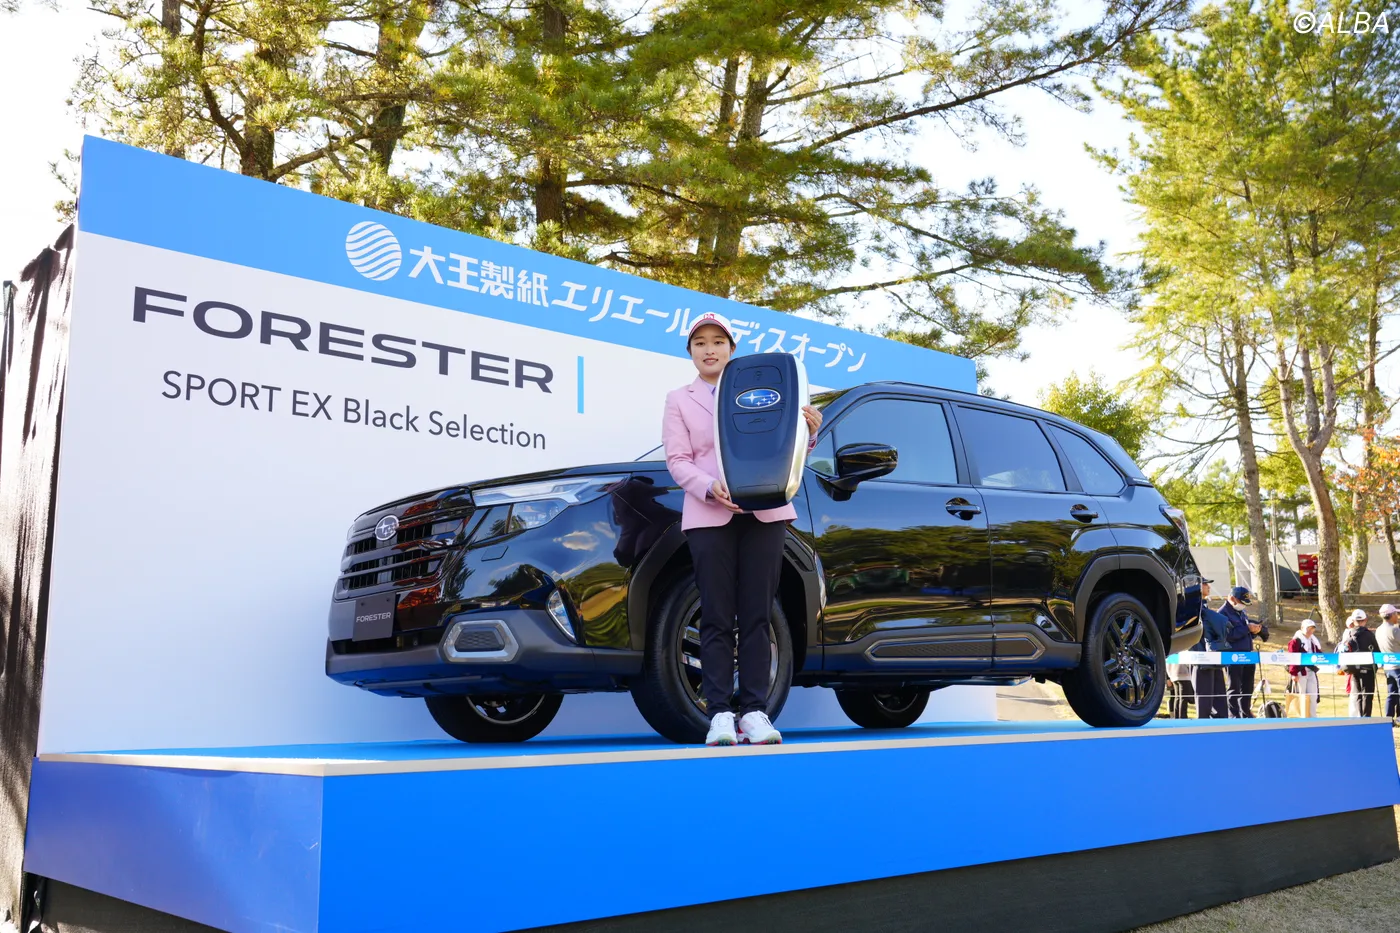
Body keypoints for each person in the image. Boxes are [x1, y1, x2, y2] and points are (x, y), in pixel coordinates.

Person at [662, 311, 822, 747]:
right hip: (709, 514)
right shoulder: (679, 399)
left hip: (765, 512)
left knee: (757, 614)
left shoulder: (763, 390)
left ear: (732, 349)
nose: (709, 349)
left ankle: (754, 713)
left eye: (718, 341)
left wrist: (808, 433)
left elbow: (783, 445)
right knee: (716, 614)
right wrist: (709, 487)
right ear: (690, 352)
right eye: (700, 343)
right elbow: (677, 460)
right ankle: (718, 714)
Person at [1220, 585, 1267, 718]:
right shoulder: (1223, 613)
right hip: (1233, 656)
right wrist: (1247, 628)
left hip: (1247, 655)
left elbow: (1244, 634)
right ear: (1232, 598)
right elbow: (1228, 635)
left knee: (1247, 686)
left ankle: (1245, 712)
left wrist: (1254, 631)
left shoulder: (1241, 612)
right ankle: (1233, 714)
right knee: (1234, 687)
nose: (1243, 605)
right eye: (1241, 602)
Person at [1191, 579, 1231, 719]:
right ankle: (1203, 725)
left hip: (1213, 656)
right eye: (1204, 584)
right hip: (1201, 657)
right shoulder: (1192, 606)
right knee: (1204, 697)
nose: (1208, 586)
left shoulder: (1205, 606)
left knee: (1219, 695)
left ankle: (1221, 723)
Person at [1342, 609, 1378, 718]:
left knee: (1358, 695)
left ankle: (1360, 717)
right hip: (1368, 669)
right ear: (1365, 620)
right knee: (1367, 695)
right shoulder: (1369, 635)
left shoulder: (1349, 634)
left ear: (1353, 621)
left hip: (1354, 669)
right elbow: (1377, 652)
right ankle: (1366, 718)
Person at [1286, 619, 1323, 718]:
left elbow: (1319, 654)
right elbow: (1292, 657)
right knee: (1301, 696)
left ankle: (1312, 718)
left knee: (1313, 696)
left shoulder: (1313, 641)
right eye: (1308, 628)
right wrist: (1294, 673)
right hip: (1300, 672)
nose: (1310, 631)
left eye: (1312, 628)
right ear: (1302, 628)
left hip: (1311, 671)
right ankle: (1302, 718)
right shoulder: (1295, 641)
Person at [1377, 604, 1400, 724]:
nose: (1397, 616)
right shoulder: (1394, 630)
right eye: (1396, 614)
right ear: (1391, 615)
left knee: (1391, 693)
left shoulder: (1379, 630)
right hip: (1398, 666)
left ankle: (1388, 718)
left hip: (1387, 666)